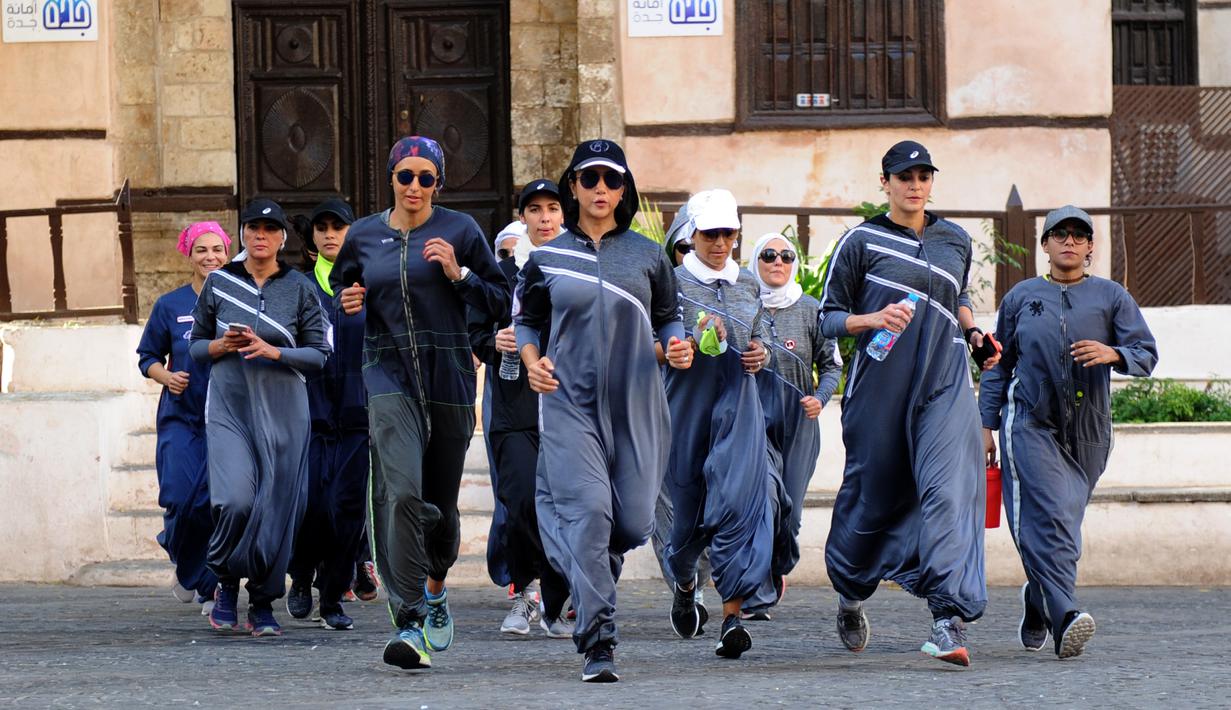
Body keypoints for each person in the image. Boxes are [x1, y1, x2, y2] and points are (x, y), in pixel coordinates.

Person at [514, 139, 691, 682]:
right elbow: (528, 321)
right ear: (573, 186)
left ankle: (585, 570)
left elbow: (668, 316)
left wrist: (678, 344)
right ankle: (599, 642)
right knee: (589, 512)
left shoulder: (646, 255)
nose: (600, 189)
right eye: (588, 179)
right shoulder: (546, 256)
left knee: (631, 523)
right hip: (569, 402)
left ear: (623, 190)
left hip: (636, 403)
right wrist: (531, 361)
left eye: (611, 180)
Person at [331, 136, 510, 670]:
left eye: (426, 178)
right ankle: (408, 619)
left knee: (442, 508)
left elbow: (500, 300)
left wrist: (461, 274)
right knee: (401, 493)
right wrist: (350, 301)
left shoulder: (461, 231)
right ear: (391, 177)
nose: (414, 187)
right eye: (405, 176)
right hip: (387, 374)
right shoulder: (363, 235)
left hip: (449, 376)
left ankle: (435, 587)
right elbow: (344, 292)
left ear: (439, 183)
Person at [819, 141, 999, 667]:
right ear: (885, 183)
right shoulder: (861, 242)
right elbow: (827, 317)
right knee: (872, 500)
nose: (915, 184)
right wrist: (871, 320)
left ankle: (947, 618)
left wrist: (974, 335)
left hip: (944, 383)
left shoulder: (954, 238)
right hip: (879, 389)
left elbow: (958, 296)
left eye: (923, 175)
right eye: (904, 176)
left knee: (950, 493)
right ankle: (852, 590)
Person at [980, 206, 1157, 659]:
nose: (1070, 242)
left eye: (1080, 235)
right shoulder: (1021, 296)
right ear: (1045, 245)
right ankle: (1064, 615)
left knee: (1065, 527)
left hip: (1090, 431)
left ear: (1091, 246)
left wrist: (1113, 353)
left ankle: (1037, 598)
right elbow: (999, 366)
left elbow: (1146, 353)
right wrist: (985, 424)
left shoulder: (1111, 297)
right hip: (1030, 423)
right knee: (1047, 519)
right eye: (1060, 235)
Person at [189, 198, 331, 636]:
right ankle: (227, 581)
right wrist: (219, 347)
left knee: (277, 511)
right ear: (243, 235)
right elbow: (195, 347)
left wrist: (275, 351)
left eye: (270, 230)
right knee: (233, 501)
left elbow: (320, 355)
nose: (261, 236)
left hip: (286, 411)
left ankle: (264, 601)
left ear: (282, 238)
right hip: (231, 407)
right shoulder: (219, 283)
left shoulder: (300, 287)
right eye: (253, 228)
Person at [661, 189, 773, 659]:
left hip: (739, 408)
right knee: (687, 525)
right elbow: (652, 337)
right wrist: (685, 342)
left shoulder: (748, 284)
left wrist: (759, 353)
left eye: (729, 232)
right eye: (711, 233)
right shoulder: (670, 282)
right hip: (685, 409)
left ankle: (732, 618)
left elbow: (762, 335)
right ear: (692, 234)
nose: (720, 242)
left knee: (738, 506)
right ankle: (686, 583)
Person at [469, 180, 572, 638]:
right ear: (523, 217)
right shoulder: (499, 274)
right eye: (536, 210)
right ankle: (528, 595)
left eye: (552, 208)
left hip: (570, 405)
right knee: (521, 500)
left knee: (570, 505)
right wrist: (494, 341)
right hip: (513, 406)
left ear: (564, 215)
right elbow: (471, 333)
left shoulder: (579, 266)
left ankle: (561, 598)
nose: (545, 217)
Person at [740, 232, 842, 621]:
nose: (777, 262)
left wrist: (820, 396)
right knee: (762, 500)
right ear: (756, 262)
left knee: (790, 514)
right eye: (768, 255)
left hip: (799, 422)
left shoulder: (811, 310)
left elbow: (832, 364)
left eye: (786, 255)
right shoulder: (743, 304)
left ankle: (775, 569)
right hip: (754, 418)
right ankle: (755, 591)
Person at [285, 198, 370, 631]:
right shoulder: (297, 286)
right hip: (311, 413)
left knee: (348, 507)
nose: (330, 233)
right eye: (322, 227)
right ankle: (301, 575)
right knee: (313, 504)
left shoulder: (370, 281)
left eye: (338, 226)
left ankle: (333, 596)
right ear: (312, 236)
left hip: (358, 413)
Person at [136, 221, 230, 614]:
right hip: (181, 416)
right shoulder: (170, 305)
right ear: (188, 256)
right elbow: (147, 358)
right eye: (201, 250)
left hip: (225, 418)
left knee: (210, 504)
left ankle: (208, 586)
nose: (210, 257)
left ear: (228, 253)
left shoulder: (237, 302)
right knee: (177, 496)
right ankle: (182, 553)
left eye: (217, 250)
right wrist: (166, 376)